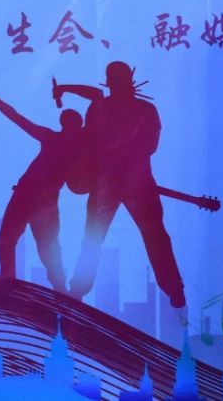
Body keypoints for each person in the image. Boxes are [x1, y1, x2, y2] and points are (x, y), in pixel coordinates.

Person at [55, 62, 186, 309]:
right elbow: (88, 143)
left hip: (134, 184)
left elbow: (149, 146)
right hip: (112, 184)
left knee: (151, 235)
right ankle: (80, 288)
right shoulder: (109, 107)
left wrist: (118, 150)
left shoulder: (143, 110)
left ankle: (173, 288)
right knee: (98, 237)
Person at [0, 77, 84, 291]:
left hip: (39, 200)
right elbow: (15, 117)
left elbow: (15, 116)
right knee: (18, 243)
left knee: (44, 250)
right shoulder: (56, 140)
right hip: (28, 196)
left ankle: (56, 288)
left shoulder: (70, 145)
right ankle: (13, 283)